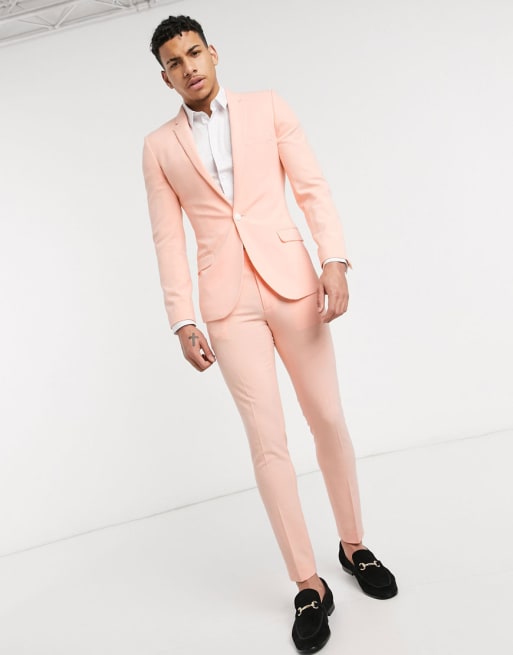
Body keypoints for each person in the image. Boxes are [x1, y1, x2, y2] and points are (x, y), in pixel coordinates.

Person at [142, 15, 397, 652]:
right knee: (267, 444)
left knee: (328, 418)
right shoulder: (159, 147)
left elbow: (311, 187)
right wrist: (182, 319)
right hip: (227, 306)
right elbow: (167, 238)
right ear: (165, 77)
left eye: (194, 53)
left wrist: (333, 259)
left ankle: (354, 546)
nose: (188, 67)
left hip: (294, 284)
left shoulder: (268, 107)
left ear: (213, 53)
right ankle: (307, 583)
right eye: (174, 62)